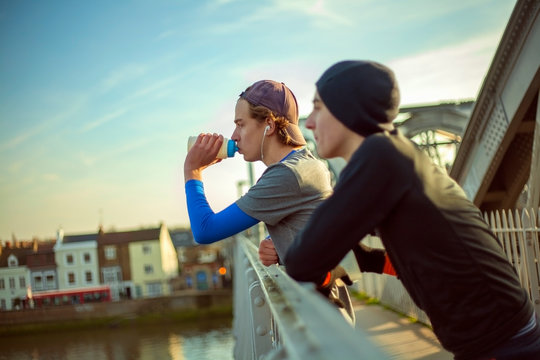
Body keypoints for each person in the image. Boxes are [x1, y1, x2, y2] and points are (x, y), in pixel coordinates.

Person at [284, 60, 540, 360]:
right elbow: (423, 246)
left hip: (504, 345)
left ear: (346, 108)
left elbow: (301, 261)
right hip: (500, 335)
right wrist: (365, 260)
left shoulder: (379, 156)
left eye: (318, 107)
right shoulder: (395, 153)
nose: (310, 123)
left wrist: (320, 264)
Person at [183, 79, 355, 322]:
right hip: (327, 318)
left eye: (241, 125)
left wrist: (192, 170)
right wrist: (281, 242)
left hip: (320, 324)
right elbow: (312, 219)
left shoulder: (286, 175)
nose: (234, 136)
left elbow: (205, 231)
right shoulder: (307, 163)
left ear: (269, 125)